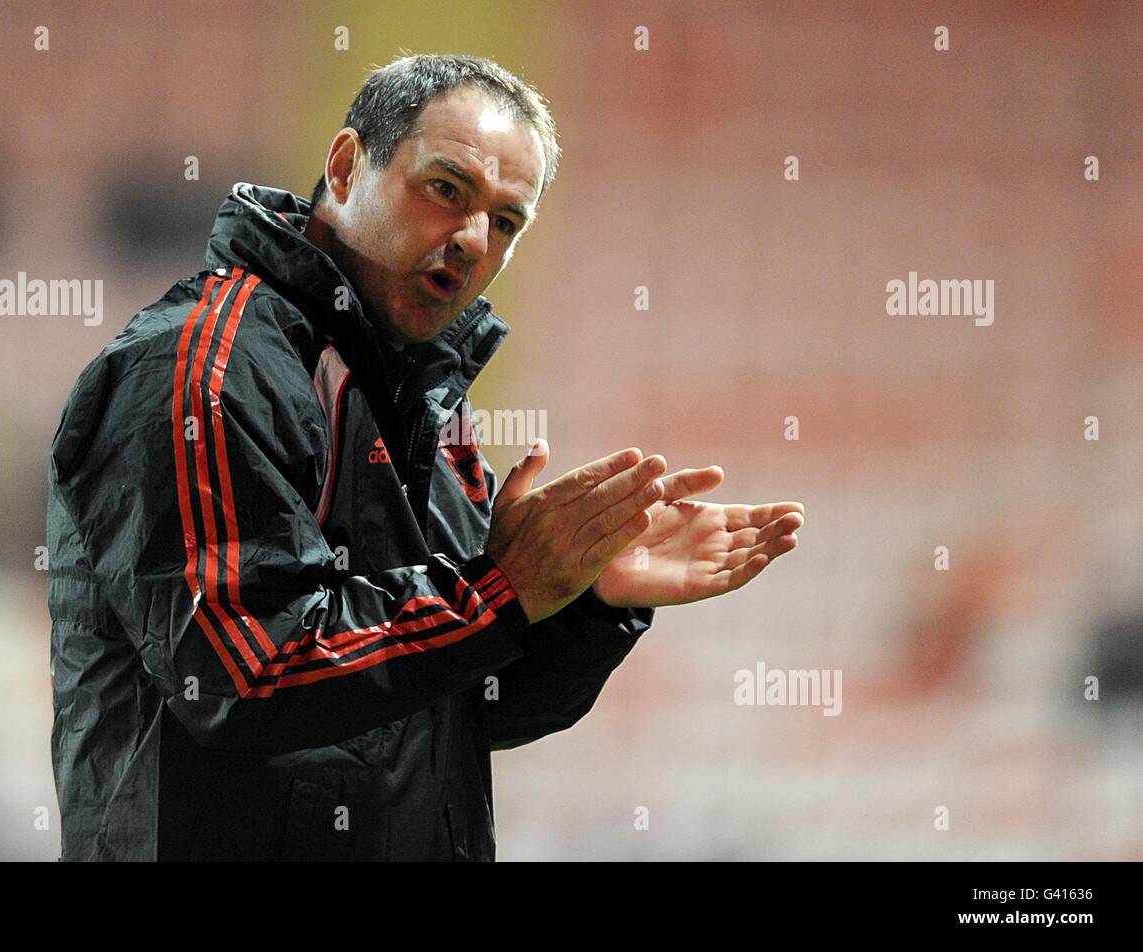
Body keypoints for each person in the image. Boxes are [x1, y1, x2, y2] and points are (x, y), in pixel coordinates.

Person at [46, 53, 804, 861]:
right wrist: (500, 591)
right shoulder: (199, 370)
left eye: (507, 221)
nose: (474, 239)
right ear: (345, 166)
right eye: (447, 189)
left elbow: (464, 701)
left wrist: (578, 605)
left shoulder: (423, 406)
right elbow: (245, 672)